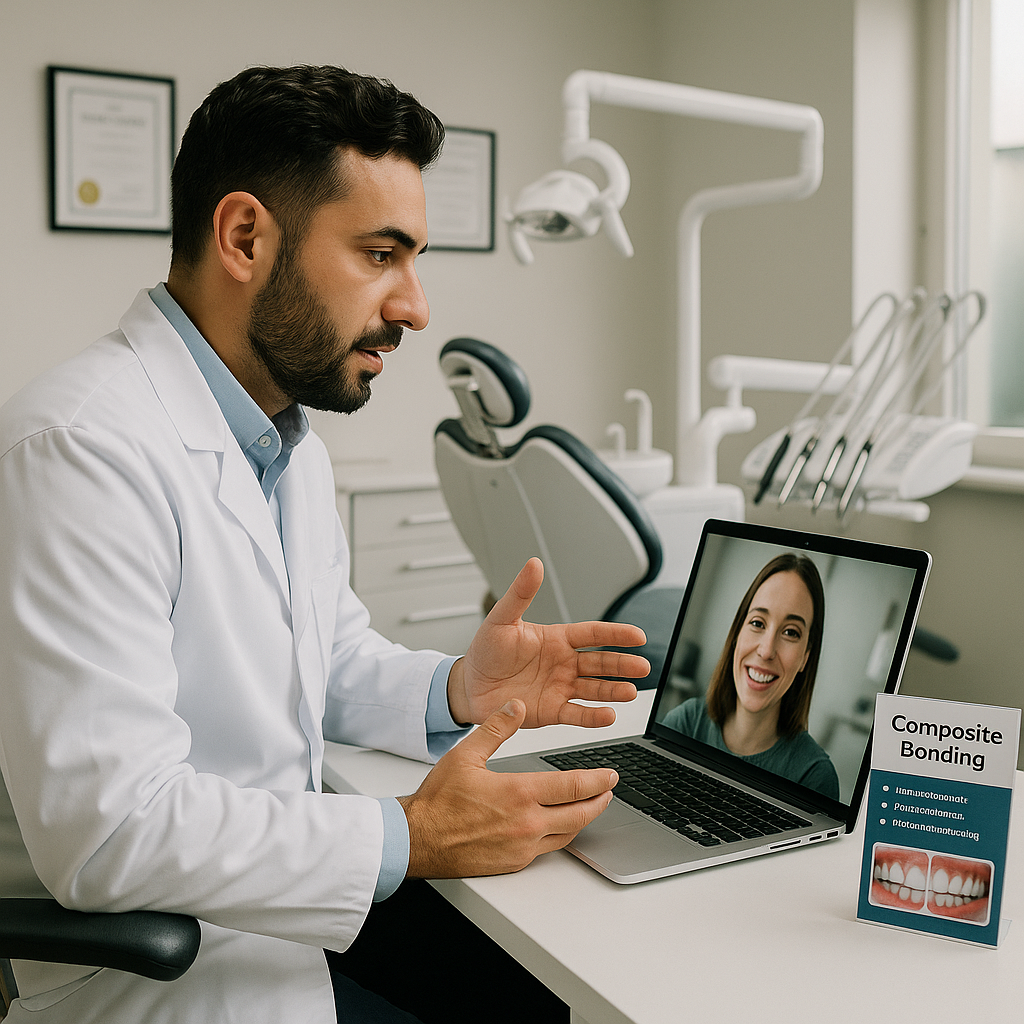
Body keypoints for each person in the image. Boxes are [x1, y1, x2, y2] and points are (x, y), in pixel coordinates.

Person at [0, 66, 649, 1024]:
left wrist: (458, 691)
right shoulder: (83, 450)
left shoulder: (280, 435)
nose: (416, 306)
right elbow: (108, 833)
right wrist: (410, 835)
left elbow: (325, 659)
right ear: (244, 237)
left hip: (275, 926)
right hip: (164, 985)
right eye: (381, 254)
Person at [661, 553, 839, 800]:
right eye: (757, 623)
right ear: (737, 634)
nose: (766, 650)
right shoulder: (686, 724)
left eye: (790, 632)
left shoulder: (813, 777)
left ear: (805, 658)